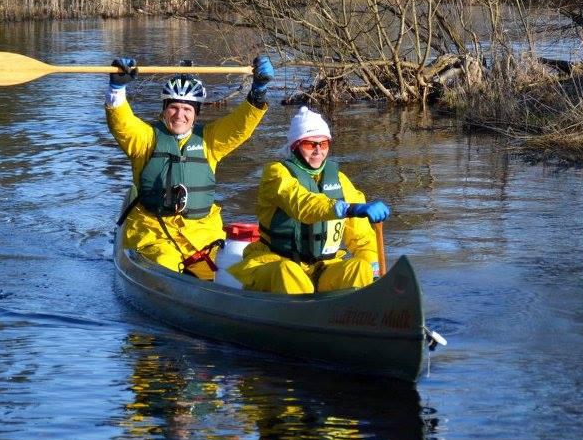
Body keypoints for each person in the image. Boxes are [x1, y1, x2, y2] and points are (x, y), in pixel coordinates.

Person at [107, 55, 274, 279]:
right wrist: (117, 89)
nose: (180, 115)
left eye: (187, 109)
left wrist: (258, 93)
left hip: (201, 237)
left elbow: (239, 126)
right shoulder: (145, 139)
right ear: (164, 110)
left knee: (213, 274)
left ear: (196, 113)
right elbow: (122, 124)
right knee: (166, 266)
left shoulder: (210, 141)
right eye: (174, 107)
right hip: (155, 235)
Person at [227, 107, 389, 294]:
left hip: (323, 267)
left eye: (324, 144)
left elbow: (362, 239)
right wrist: (347, 209)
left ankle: (357, 315)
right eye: (310, 144)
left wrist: (374, 269)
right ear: (295, 146)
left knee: (360, 268)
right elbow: (302, 204)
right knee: (289, 272)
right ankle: (301, 317)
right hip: (277, 263)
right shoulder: (275, 174)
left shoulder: (340, 181)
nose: (318, 150)